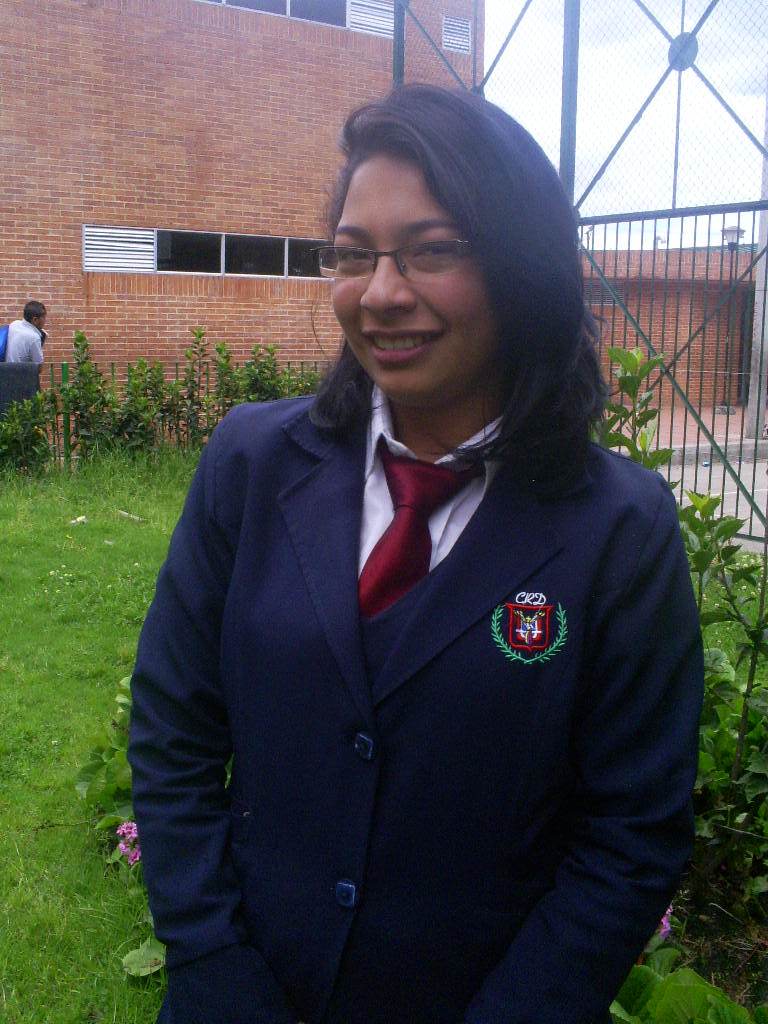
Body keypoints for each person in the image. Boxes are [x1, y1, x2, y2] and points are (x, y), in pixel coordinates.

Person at [128, 84, 703, 1024]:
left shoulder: (619, 530)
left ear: (520, 266)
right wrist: (211, 955)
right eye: (354, 254)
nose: (382, 293)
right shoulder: (252, 463)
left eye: (433, 250)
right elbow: (173, 726)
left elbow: (632, 833)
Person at [6, 300, 47, 376]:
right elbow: (38, 368)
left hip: (5, 373)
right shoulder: (34, 337)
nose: (45, 321)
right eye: (44, 318)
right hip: (21, 378)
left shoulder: (14, 324)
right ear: (35, 320)